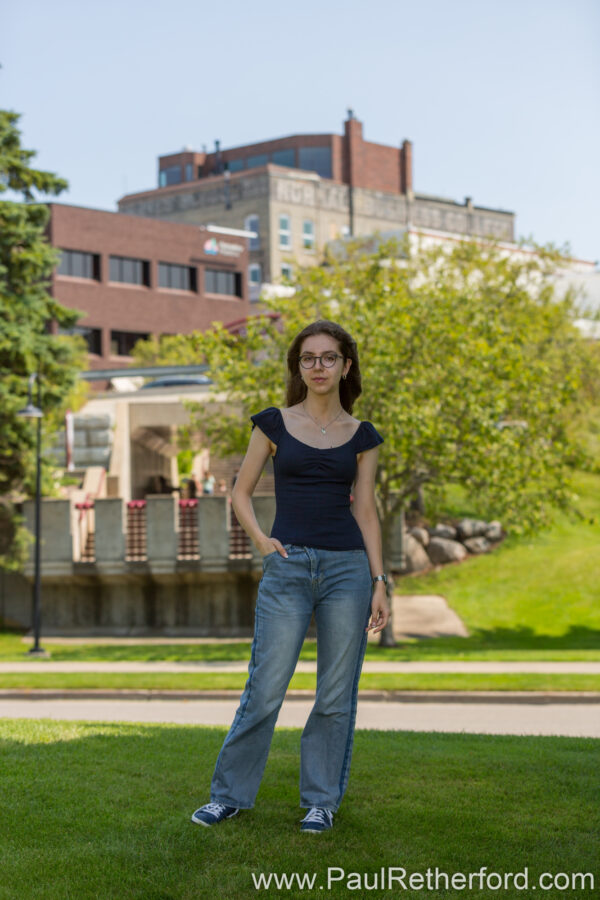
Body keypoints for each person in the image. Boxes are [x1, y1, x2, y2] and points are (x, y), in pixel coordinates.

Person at [191, 320, 389, 834]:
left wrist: (379, 579)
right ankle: (229, 796)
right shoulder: (274, 423)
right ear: (297, 367)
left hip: (348, 571)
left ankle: (320, 801)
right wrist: (263, 541)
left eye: (328, 358)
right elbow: (240, 492)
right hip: (289, 565)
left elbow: (366, 511)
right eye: (308, 358)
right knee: (265, 687)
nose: (318, 367)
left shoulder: (363, 436)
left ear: (346, 366)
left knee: (335, 694)